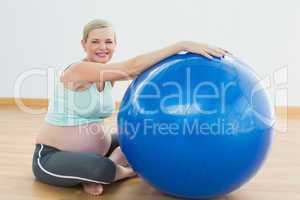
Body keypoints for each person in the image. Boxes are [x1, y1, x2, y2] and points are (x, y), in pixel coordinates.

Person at [32, 19, 228, 196]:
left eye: (108, 42)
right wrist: (182, 45)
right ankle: (117, 172)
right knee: (100, 169)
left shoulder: (107, 77)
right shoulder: (77, 71)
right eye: (95, 42)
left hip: (97, 150)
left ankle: (96, 173)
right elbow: (131, 68)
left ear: (115, 45)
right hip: (52, 155)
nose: (102, 47)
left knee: (138, 137)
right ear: (84, 44)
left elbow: (137, 70)